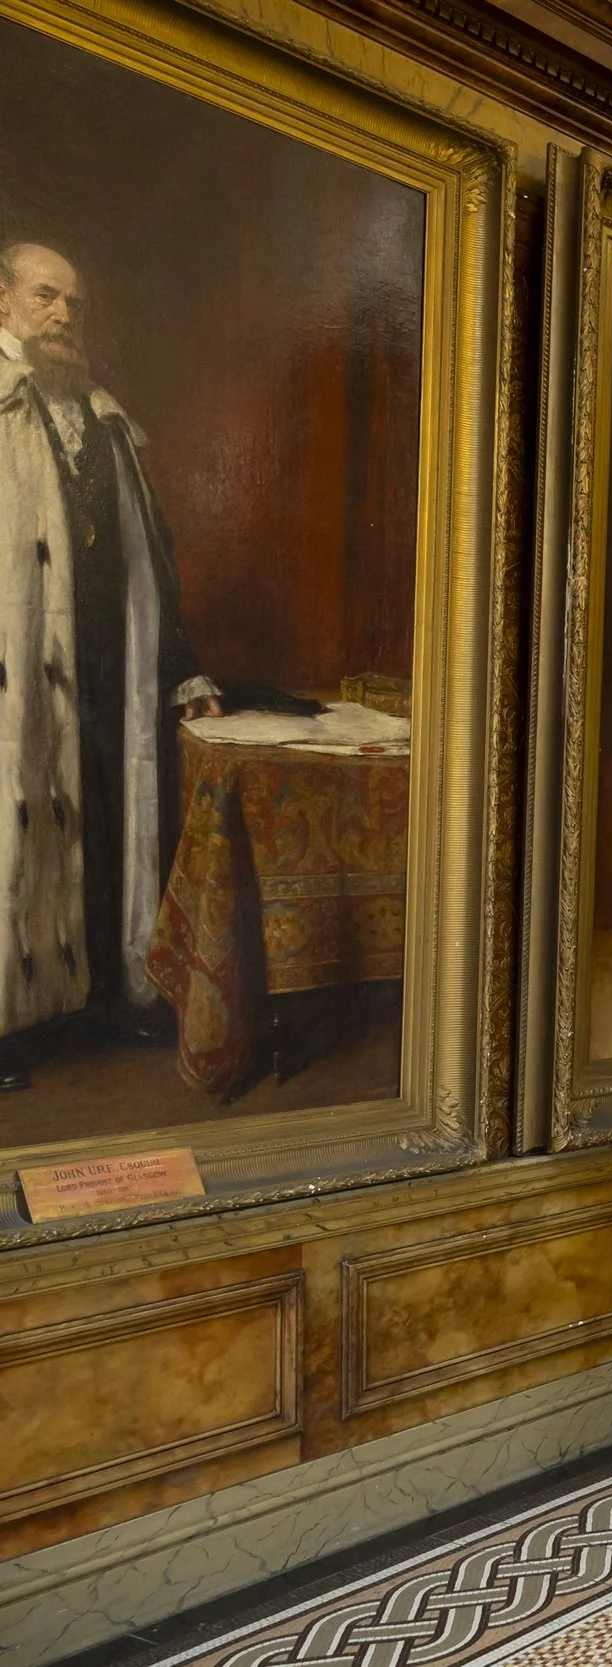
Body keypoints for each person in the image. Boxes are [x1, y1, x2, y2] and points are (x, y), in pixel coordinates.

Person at [0, 242, 221, 1092]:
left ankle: (109, 997)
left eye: (74, 304)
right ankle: (13, 1022)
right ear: (5, 303)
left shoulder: (104, 418)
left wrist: (181, 669)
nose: (64, 315)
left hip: (107, 664)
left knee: (106, 821)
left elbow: (149, 559)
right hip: (18, 665)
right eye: (46, 297)